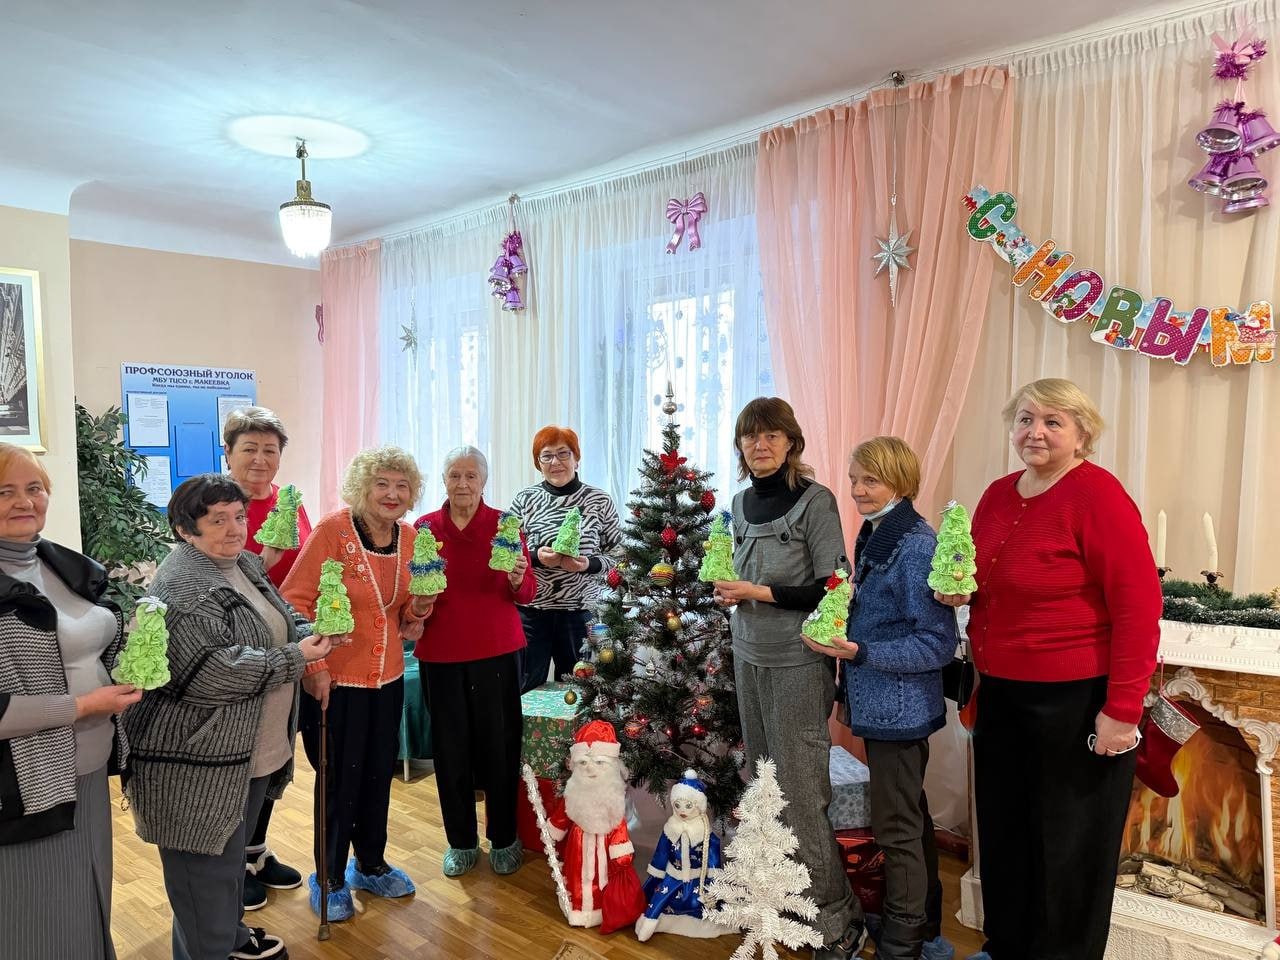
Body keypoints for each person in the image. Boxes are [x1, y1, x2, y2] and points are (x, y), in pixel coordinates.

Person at [935, 378, 1161, 960]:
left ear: (1082, 434)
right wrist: (961, 594)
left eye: (1054, 421)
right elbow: (984, 576)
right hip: (1003, 695)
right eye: (1026, 419)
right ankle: (1007, 946)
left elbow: (1138, 608)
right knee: (1008, 835)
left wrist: (1122, 711)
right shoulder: (997, 494)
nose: (1036, 431)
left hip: (1077, 699)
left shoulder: (1098, 495)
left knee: (1070, 850)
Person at [122, 474, 332, 960]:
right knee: (204, 882)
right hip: (196, 765)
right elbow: (212, 675)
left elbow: (277, 617)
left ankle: (231, 941)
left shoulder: (241, 565)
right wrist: (298, 658)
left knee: (225, 869)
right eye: (217, 520)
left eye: (239, 516)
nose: (235, 528)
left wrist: (310, 631)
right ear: (184, 529)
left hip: (244, 754)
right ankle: (212, 949)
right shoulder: (185, 586)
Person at [711, 397, 865, 960]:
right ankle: (781, 894)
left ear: (791, 442)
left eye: (772, 435)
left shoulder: (815, 502)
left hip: (799, 664)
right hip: (748, 654)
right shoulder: (739, 502)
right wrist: (732, 586)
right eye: (751, 436)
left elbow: (833, 584)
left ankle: (837, 918)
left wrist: (755, 592)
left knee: (801, 794)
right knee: (762, 781)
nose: (761, 445)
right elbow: (740, 574)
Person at [804, 437, 957, 960]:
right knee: (908, 814)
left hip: (902, 709)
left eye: (869, 480)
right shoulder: (876, 533)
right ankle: (923, 923)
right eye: (852, 480)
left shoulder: (916, 544)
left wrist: (860, 651)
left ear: (900, 480)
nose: (857, 490)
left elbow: (937, 642)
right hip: (879, 702)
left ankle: (902, 942)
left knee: (896, 828)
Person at [0, 444, 140, 960]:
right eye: (4, 491)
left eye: (34, 488)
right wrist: (81, 706)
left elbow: (95, 636)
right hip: (24, 786)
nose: (24, 501)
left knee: (89, 897)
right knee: (36, 918)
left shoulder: (62, 563)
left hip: (86, 768)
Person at [283, 445, 432, 922]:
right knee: (337, 780)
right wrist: (313, 668)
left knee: (375, 776)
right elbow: (294, 602)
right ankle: (328, 876)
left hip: (387, 677)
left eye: (401, 486)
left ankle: (369, 862)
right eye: (381, 484)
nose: (392, 494)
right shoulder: (331, 531)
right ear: (362, 487)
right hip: (336, 679)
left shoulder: (411, 538)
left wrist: (420, 611)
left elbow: (403, 611)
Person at [412, 445, 535, 878]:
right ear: (444, 481)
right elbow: (412, 594)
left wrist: (520, 576)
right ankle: (460, 841)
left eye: (471, 476)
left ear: (484, 481)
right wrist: (418, 604)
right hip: (441, 654)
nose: (463, 484)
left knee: (500, 748)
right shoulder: (424, 528)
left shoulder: (505, 524)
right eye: (455, 476)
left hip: (498, 650)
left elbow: (526, 593)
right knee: (451, 751)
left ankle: (504, 837)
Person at [223, 405, 312, 909]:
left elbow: (306, 567)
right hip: (237, 648)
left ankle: (255, 850)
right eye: (249, 449)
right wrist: (264, 561)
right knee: (241, 758)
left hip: (286, 644)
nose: (260, 459)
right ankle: (230, 864)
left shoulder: (289, 503)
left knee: (275, 754)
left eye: (269, 450)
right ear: (229, 453)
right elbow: (209, 571)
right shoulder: (213, 502)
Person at [509, 425, 621, 692]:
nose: (555, 462)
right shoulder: (526, 499)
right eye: (546, 456)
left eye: (563, 453)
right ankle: (527, 735)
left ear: (576, 458)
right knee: (525, 686)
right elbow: (506, 549)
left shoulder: (599, 500)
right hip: (532, 611)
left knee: (579, 689)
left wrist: (587, 564)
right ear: (538, 462)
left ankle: (577, 736)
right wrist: (536, 557)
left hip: (579, 613)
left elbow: (618, 553)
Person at [546, 720, 646, 933]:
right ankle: (577, 907)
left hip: (604, 844)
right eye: (583, 763)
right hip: (578, 844)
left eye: (599, 763)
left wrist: (620, 851)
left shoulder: (612, 791)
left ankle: (601, 908)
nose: (590, 768)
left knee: (602, 879)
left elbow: (618, 822)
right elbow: (563, 813)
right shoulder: (574, 789)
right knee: (576, 875)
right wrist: (554, 829)